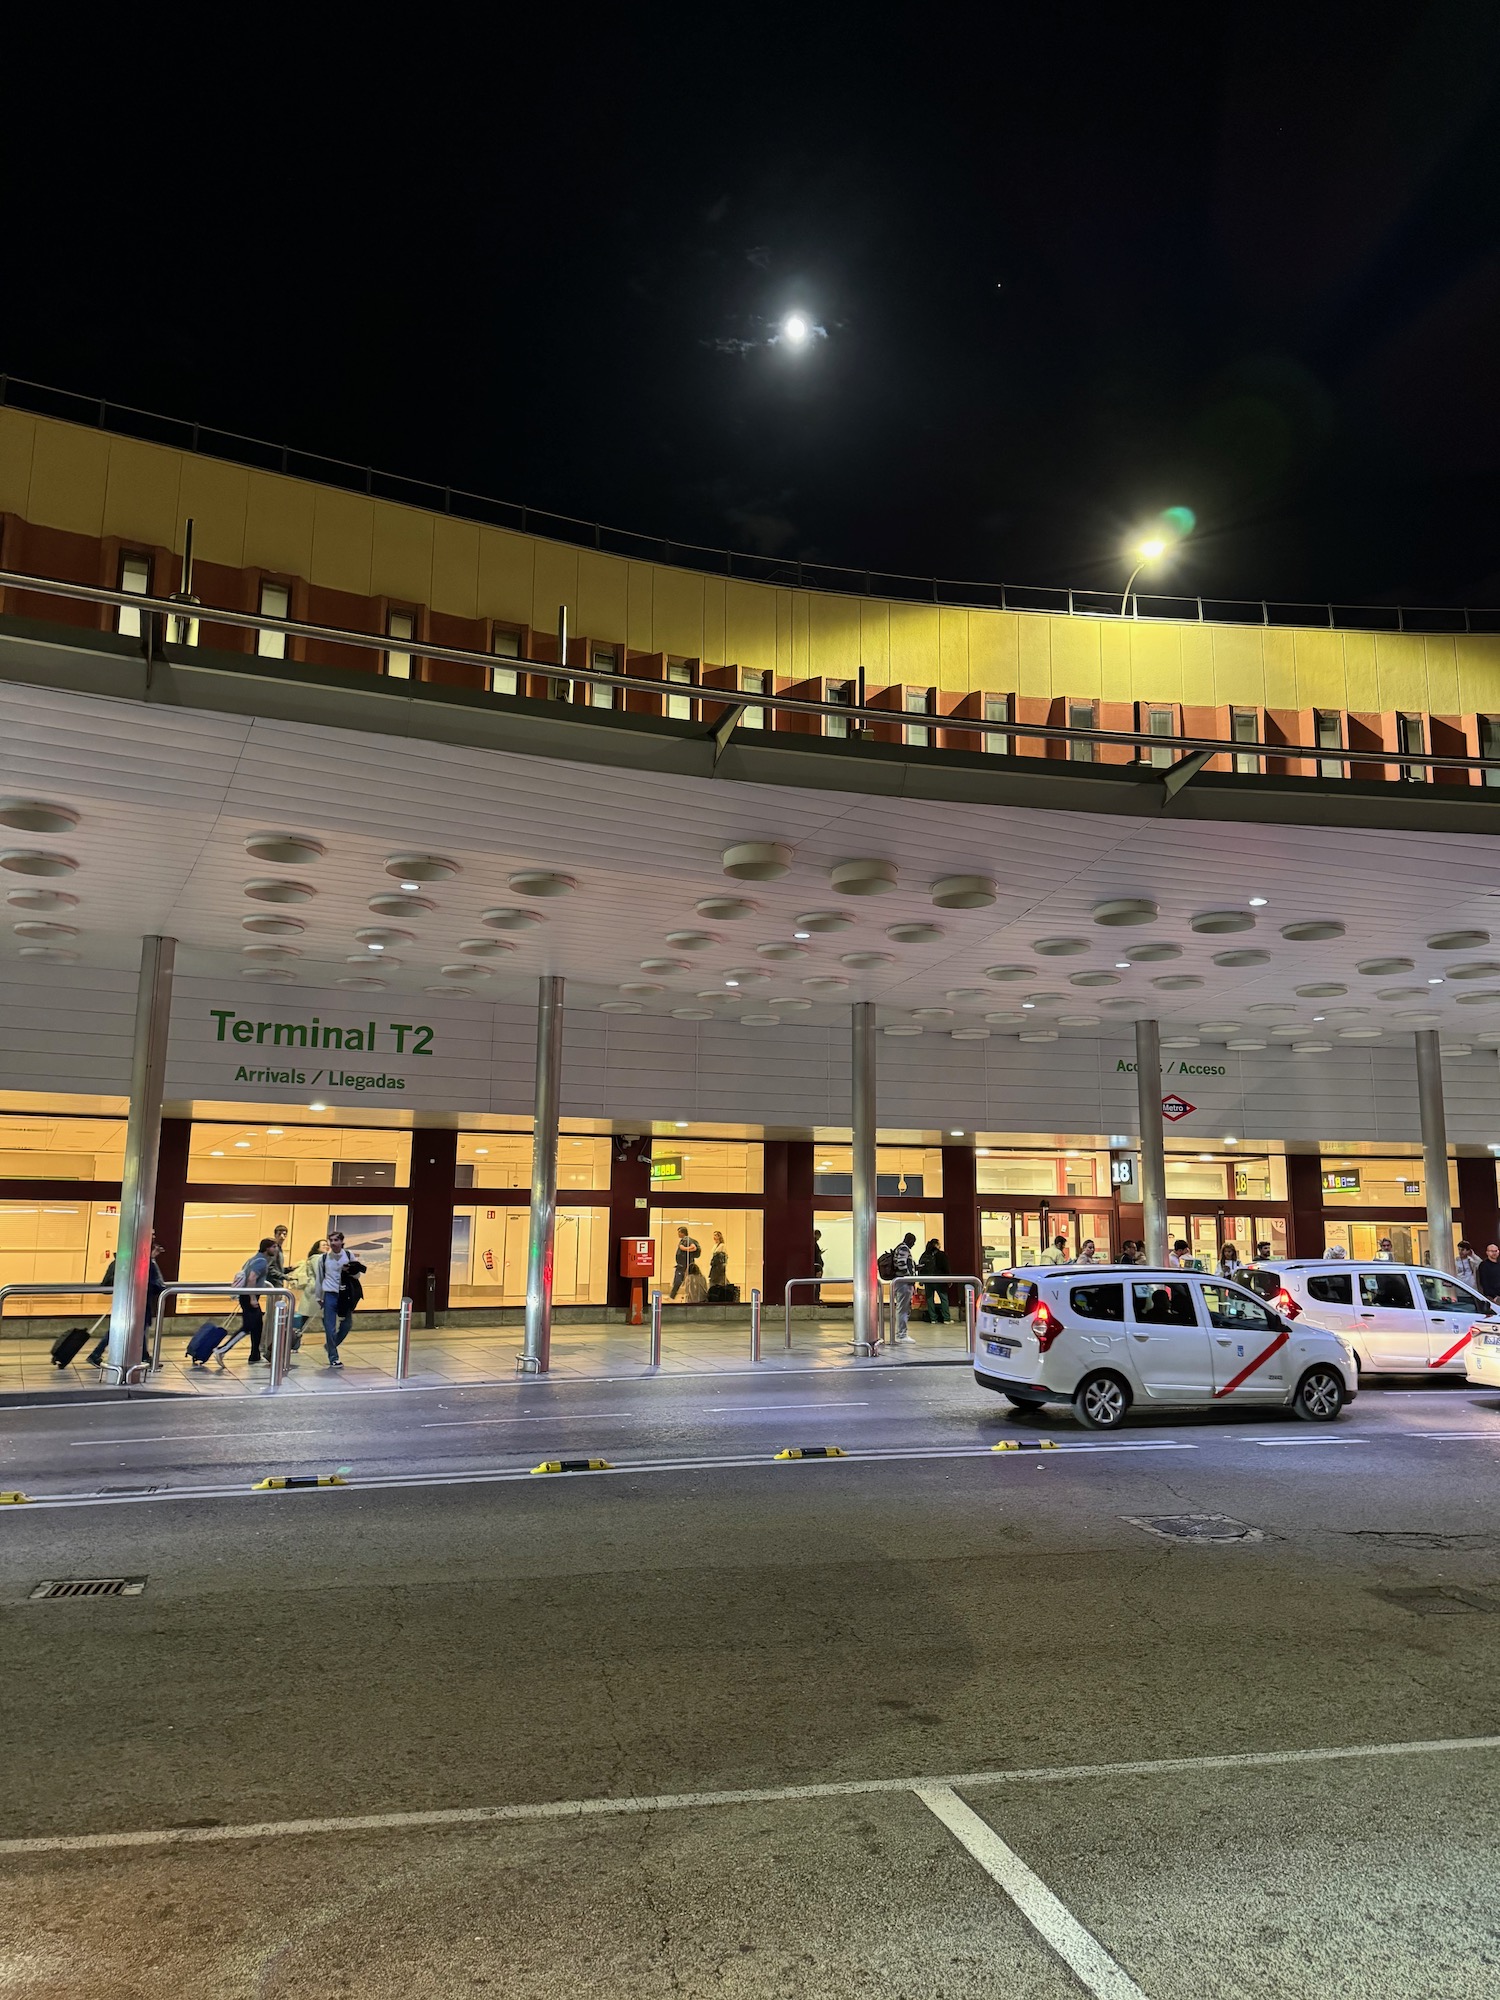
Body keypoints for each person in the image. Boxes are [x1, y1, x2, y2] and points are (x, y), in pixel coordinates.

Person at [87, 1235, 167, 1368]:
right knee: (132, 1328)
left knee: (130, 1328)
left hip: (126, 1301)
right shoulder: (143, 1262)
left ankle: (144, 1356)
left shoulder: (124, 1259)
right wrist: (152, 1260)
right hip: (137, 1301)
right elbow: (156, 1284)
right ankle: (96, 1353)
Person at [318, 1230, 366, 1366]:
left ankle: (331, 1345)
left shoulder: (349, 1255)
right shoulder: (323, 1258)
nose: (333, 1243)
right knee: (330, 1327)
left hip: (345, 1295)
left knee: (347, 1324)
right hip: (330, 1294)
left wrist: (350, 1270)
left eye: (336, 1240)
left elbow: (357, 1276)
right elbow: (319, 1279)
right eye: (331, 1240)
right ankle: (333, 1357)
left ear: (341, 1242)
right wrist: (318, 1297)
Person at [237, 1237, 277, 1364]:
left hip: (247, 1295)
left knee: (257, 1326)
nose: (276, 1249)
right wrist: (253, 1298)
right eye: (274, 1247)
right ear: (267, 1248)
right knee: (249, 1326)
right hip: (249, 1297)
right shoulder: (261, 1261)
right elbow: (252, 1278)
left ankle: (255, 1354)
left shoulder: (254, 1259)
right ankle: (223, 1349)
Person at [289, 1236, 326, 1353]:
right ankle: (293, 1343)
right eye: (323, 1245)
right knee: (306, 1319)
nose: (327, 1246)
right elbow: (320, 1274)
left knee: (305, 1319)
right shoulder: (317, 1258)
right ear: (317, 1248)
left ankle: (293, 1344)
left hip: (314, 1291)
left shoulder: (317, 1258)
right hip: (315, 1291)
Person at [888, 1231, 919, 1342]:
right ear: (909, 1240)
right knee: (903, 1309)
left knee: (902, 1308)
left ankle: (901, 1333)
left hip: (902, 1282)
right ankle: (901, 1334)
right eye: (913, 1242)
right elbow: (901, 1264)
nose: (913, 1244)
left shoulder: (900, 1248)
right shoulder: (904, 1248)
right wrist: (909, 1276)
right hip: (904, 1283)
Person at [917, 1237, 951, 1322]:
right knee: (943, 1298)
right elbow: (946, 1267)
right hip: (939, 1280)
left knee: (929, 1299)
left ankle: (933, 1319)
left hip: (928, 1280)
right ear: (936, 1245)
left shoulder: (924, 1255)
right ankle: (946, 1318)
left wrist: (921, 1280)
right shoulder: (941, 1255)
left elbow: (921, 1268)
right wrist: (949, 1279)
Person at [668, 1225, 699, 1299]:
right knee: (681, 1280)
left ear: (683, 1233)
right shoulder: (685, 1240)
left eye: (679, 1232)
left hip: (684, 1264)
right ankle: (672, 1296)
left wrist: (684, 1248)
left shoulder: (686, 1239)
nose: (678, 1234)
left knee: (678, 1280)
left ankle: (672, 1296)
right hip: (684, 1264)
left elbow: (694, 1247)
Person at [708, 1230, 729, 1295]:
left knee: (720, 1279)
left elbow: (725, 1256)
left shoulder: (722, 1245)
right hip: (714, 1265)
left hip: (719, 1266)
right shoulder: (715, 1245)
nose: (714, 1237)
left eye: (716, 1235)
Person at [811, 1228, 824, 1304]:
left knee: (816, 1284)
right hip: (816, 1268)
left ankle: (816, 1298)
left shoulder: (814, 1244)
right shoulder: (814, 1244)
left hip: (817, 1267)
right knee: (816, 1285)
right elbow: (816, 1257)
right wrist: (818, 1269)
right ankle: (816, 1299)